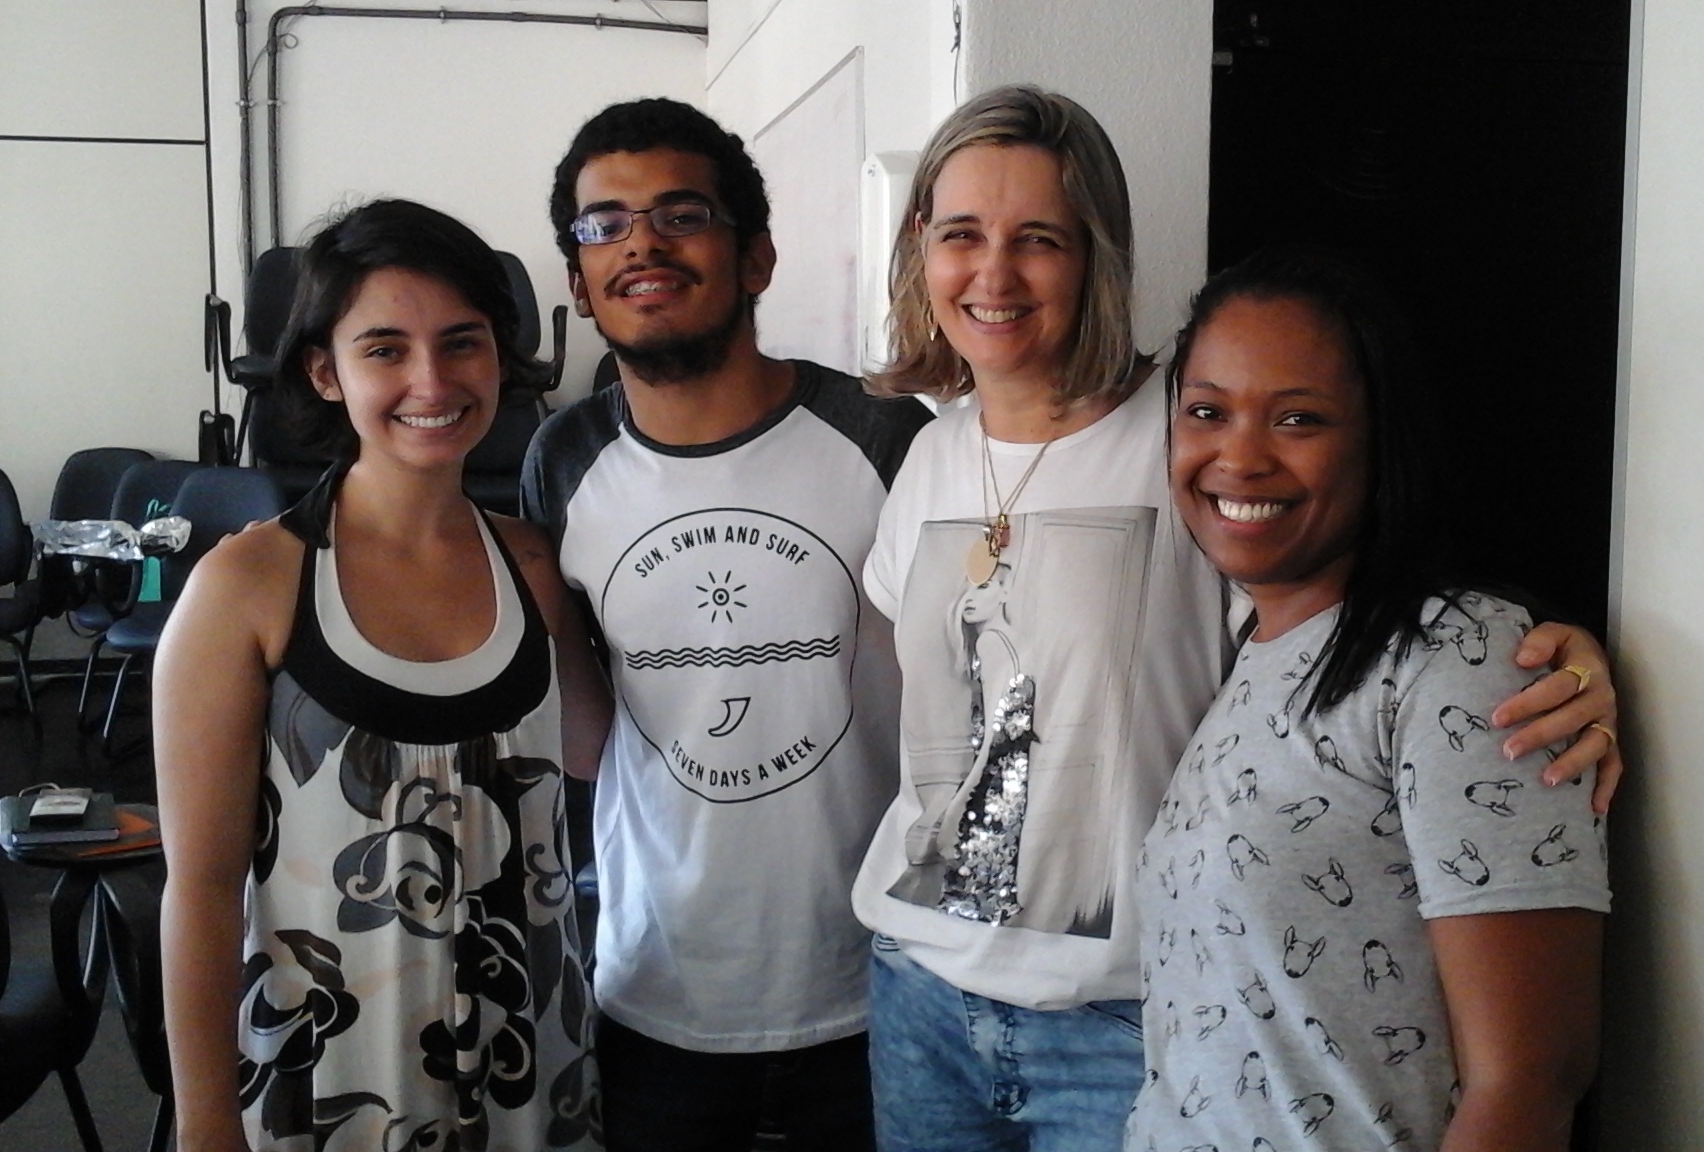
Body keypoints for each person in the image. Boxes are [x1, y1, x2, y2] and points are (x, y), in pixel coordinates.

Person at [853, 85, 1623, 1151]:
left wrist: (1555, 646)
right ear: (919, 248)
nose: (993, 274)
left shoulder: (1191, 429)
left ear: (1097, 256)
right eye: (960, 235)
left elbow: (1357, 604)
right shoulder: (929, 453)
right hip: (919, 993)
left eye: (1038, 238)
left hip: (1121, 1017)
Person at [156, 199, 612, 1152]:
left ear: (501, 357)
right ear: (326, 372)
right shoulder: (249, 586)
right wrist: (205, 1122)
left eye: (462, 342)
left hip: (534, 1062)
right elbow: (200, 889)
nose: (431, 381)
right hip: (335, 1079)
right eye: (384, 349)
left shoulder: (536, 565)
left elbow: (597, 761)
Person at [1129, 247, 1610, 1151]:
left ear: (1380, 440)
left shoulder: (1460, 663)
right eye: (1207, 412)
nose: (1240, 455)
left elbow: (1531, 1081)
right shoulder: (1250, 650)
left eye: (1298, 419)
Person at [523, 98, 933, 1151]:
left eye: (680, 214)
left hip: (878, 981)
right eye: (605, 225)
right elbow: (587, 731)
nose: (641, 244)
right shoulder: (562, 462)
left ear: (756, 257)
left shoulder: (884, 437)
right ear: (578, 280)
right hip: (657, 985)